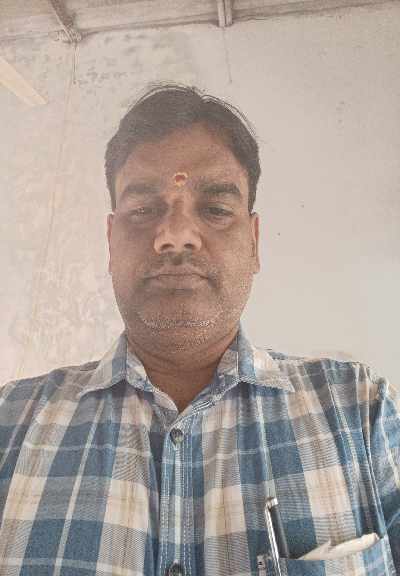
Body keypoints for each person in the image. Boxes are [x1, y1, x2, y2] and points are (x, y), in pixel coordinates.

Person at [0, 84, 398, 576]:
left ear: (254, 242)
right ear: (110, 242)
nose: (175, 235)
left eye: (215, 209)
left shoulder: (361, 412)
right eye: (143, 210)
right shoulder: (11, 424)